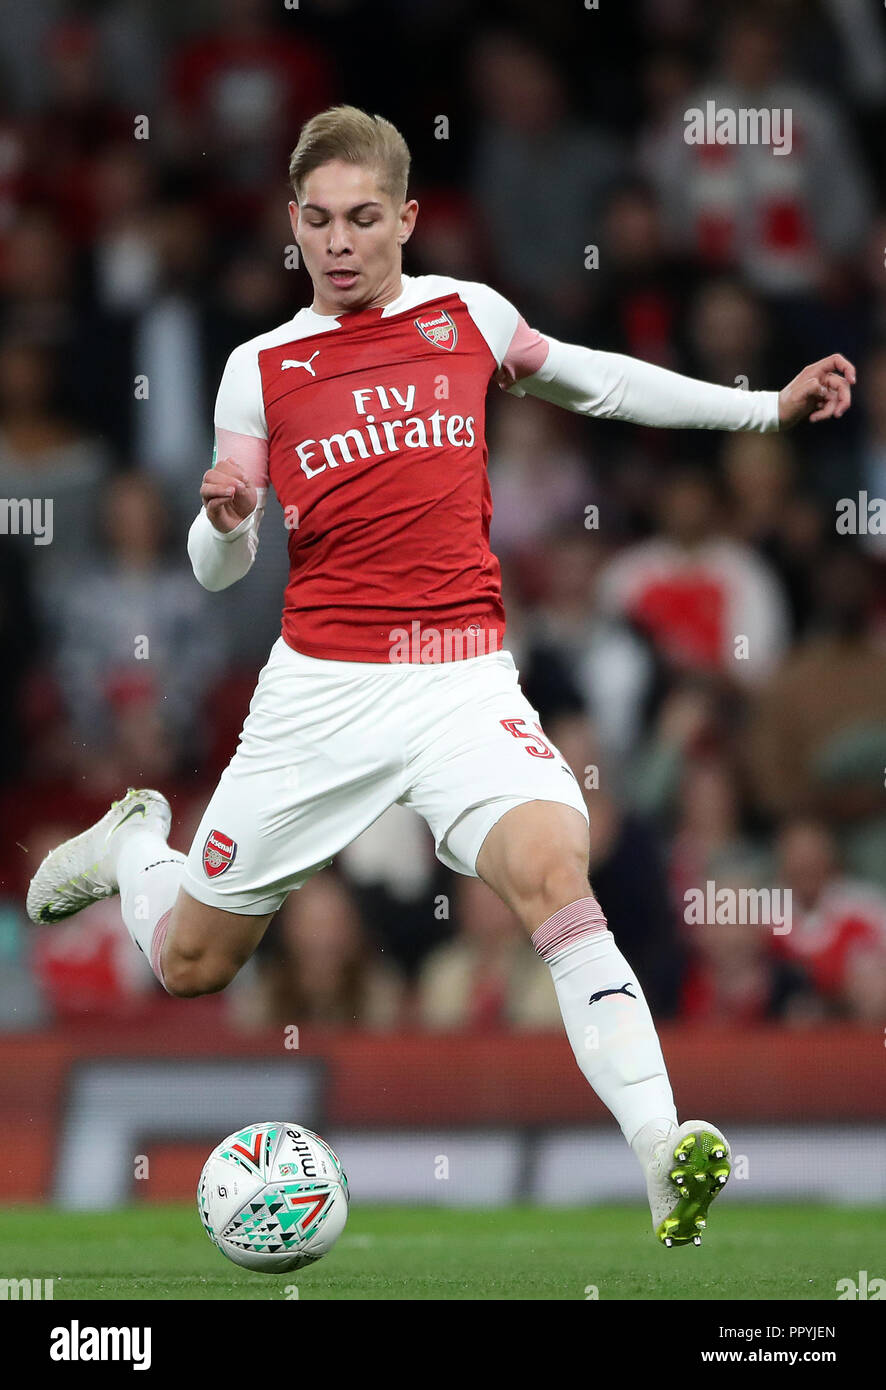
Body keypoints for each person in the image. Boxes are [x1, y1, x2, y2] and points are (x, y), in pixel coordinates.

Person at [27, 105, 855, 1251]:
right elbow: (215, 573)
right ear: (293, 225)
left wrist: (760, 405)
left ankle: (664, 1149)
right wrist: (224, 522)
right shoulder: (257, 367)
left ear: (407, 218)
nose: (340, 241)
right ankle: (133, 843)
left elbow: (601, 384)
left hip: (462, 680)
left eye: (364, 217)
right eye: (317, 220)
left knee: (553, 875)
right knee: (190, 965)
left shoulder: (468, 315)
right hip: (319, 693)